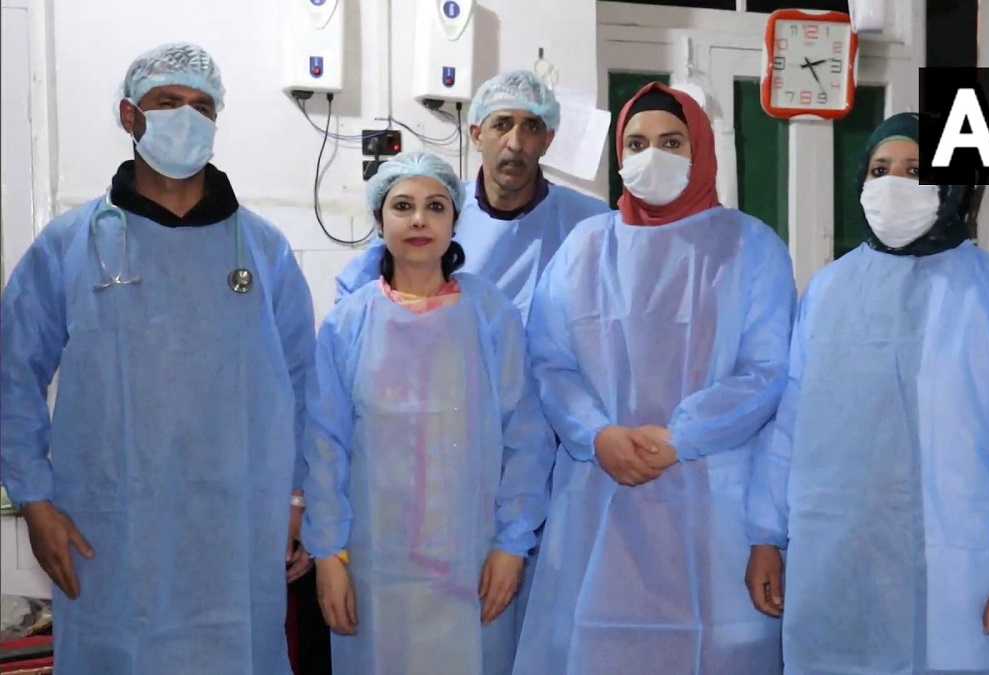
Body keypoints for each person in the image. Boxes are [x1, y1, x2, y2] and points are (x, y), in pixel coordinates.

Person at [0, 43, 313, 674]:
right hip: (109, 537)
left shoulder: (264, 251)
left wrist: (302, 502)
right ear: (129, 115)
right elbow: (12, 377)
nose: (186, 118)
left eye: (202, 107)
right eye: (168, 102)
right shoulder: (71, 246)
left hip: (237, 534)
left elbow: (306, 384)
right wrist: (34, 501)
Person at [745, 112, 989, 675]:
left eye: (916, 170)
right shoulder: (829, 291)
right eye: (880, 170)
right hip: (840, 567)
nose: (894, 185)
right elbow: (791, 424)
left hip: (969, 581)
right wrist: (767, 536)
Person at [512, 83, 795, 675]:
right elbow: (548, 360)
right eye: (636, 144)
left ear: (702, 150)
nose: (652, 157)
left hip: (713, 510)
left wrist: (681, 437)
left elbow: (767, 371)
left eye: (671, 142)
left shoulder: (751, 246)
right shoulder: (586, 248)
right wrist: (596, 435)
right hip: (600, 498)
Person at [302, 152, 555, 675]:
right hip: (373, 570)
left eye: (435, 206)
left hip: (475, 565)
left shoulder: (490, 316)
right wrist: (329, 556)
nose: (419, 220)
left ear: (454, 221)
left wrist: (512, 545)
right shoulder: (348, 325)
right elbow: (326, 449)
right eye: (403, 206)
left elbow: (527, 439)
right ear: (380, 221)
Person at [335, 70, 609, 321]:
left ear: (547, 141)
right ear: (477, 135)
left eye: (532, 127)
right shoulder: (439, 211)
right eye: (502, 124)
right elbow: (354, 301)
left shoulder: (590, 223)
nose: (515, 144)